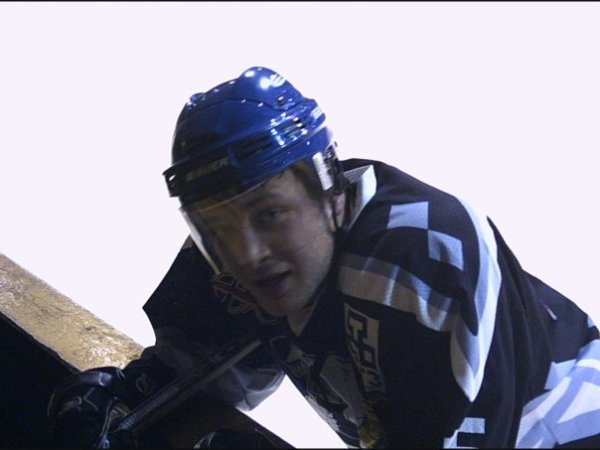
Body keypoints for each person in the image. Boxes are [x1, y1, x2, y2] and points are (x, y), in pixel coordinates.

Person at [47, 66, 600, 448]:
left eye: (271, 214)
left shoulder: (419, 260)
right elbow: (198, 372)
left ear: (331, 193)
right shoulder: (226, 257)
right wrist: (128, 395)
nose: (248, 254)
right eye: (218, 227)